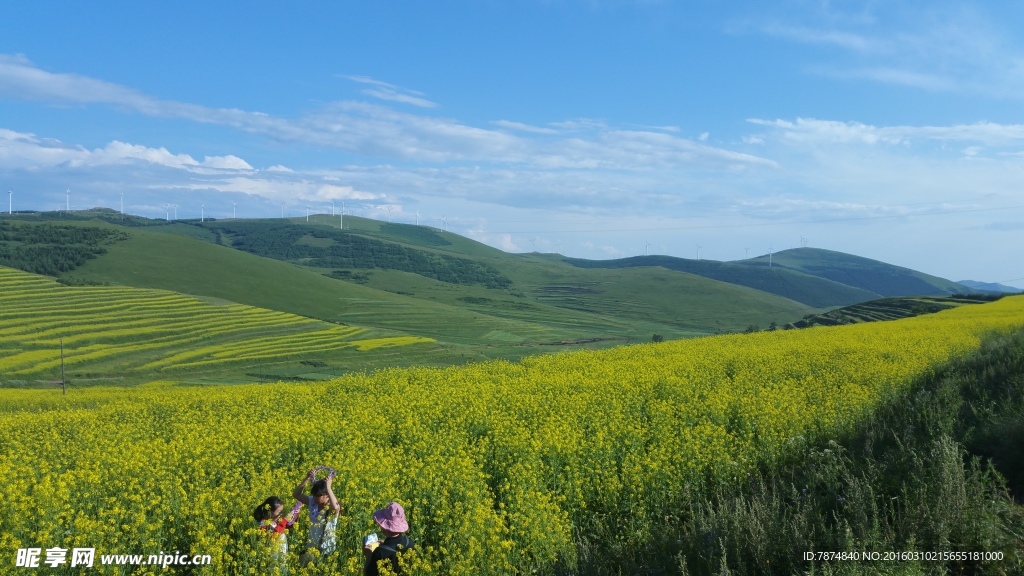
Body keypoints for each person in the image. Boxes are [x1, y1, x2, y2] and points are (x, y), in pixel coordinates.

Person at [293, 470, 341, 565]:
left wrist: (328, 488)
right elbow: (296, 494)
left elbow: (336, 507)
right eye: (314, 494)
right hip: (311, 545)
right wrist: (307, 478)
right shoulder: (313, 502)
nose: (315, 497)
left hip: (327, 547)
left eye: (318, 495)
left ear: (327, 495)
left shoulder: (331, 507)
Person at [363, 501, 414, 576]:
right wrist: (386, 544)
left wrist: (368, 555)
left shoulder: (379, 552)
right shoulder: (410, 542)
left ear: (384, 526)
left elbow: (368, 574)